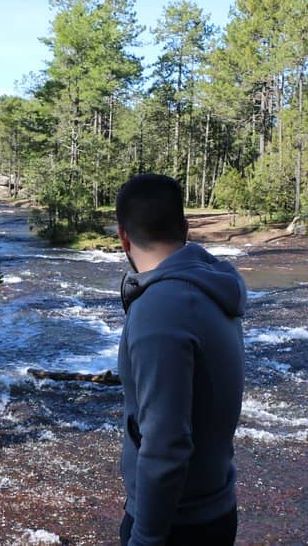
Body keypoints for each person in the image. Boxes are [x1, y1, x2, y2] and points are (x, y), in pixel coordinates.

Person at [115, 173, 246, 546]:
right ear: (186, 230)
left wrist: (145, 537)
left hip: (176, 526)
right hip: (214, 511)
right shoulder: (210, 288)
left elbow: (166, 441)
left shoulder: (160, 309)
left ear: (123, 236)